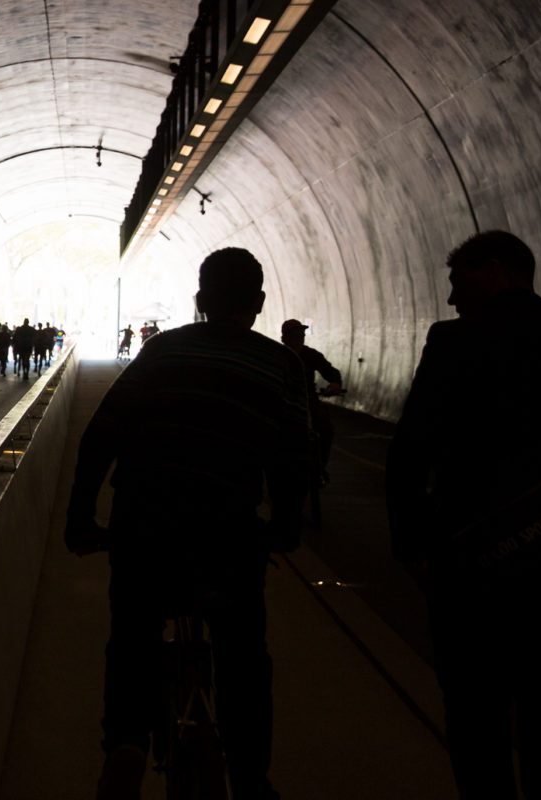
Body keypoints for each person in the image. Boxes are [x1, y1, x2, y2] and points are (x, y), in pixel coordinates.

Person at [65, 247, 309, 800]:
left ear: (199, 301)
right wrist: (286, 525)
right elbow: (294, 457)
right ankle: (250, 778)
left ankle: (127, 743)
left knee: (132, 635)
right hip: (227, 533)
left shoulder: (160, 351)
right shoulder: (281, 364)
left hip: (144, 524)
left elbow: (101, 434)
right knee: (244, 656)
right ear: (259, 302)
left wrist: (81, 519)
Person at [386, 231, 541, 800]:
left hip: (472, 559)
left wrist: (409, 545)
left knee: (474, 711)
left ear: (493, 272)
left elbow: (411, 452)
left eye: (458, 283)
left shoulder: (453, 344)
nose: (451, 300)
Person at [277, 319, 343, 486]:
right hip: (283, 399)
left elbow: (330, 371)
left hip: (307, 399)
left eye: (301, 334)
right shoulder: (278, 355)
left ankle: (319, 468)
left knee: (325, 429)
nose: (300, 338)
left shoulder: (310, 355)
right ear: (285, 338)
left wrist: (335, 383)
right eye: (296, 335)